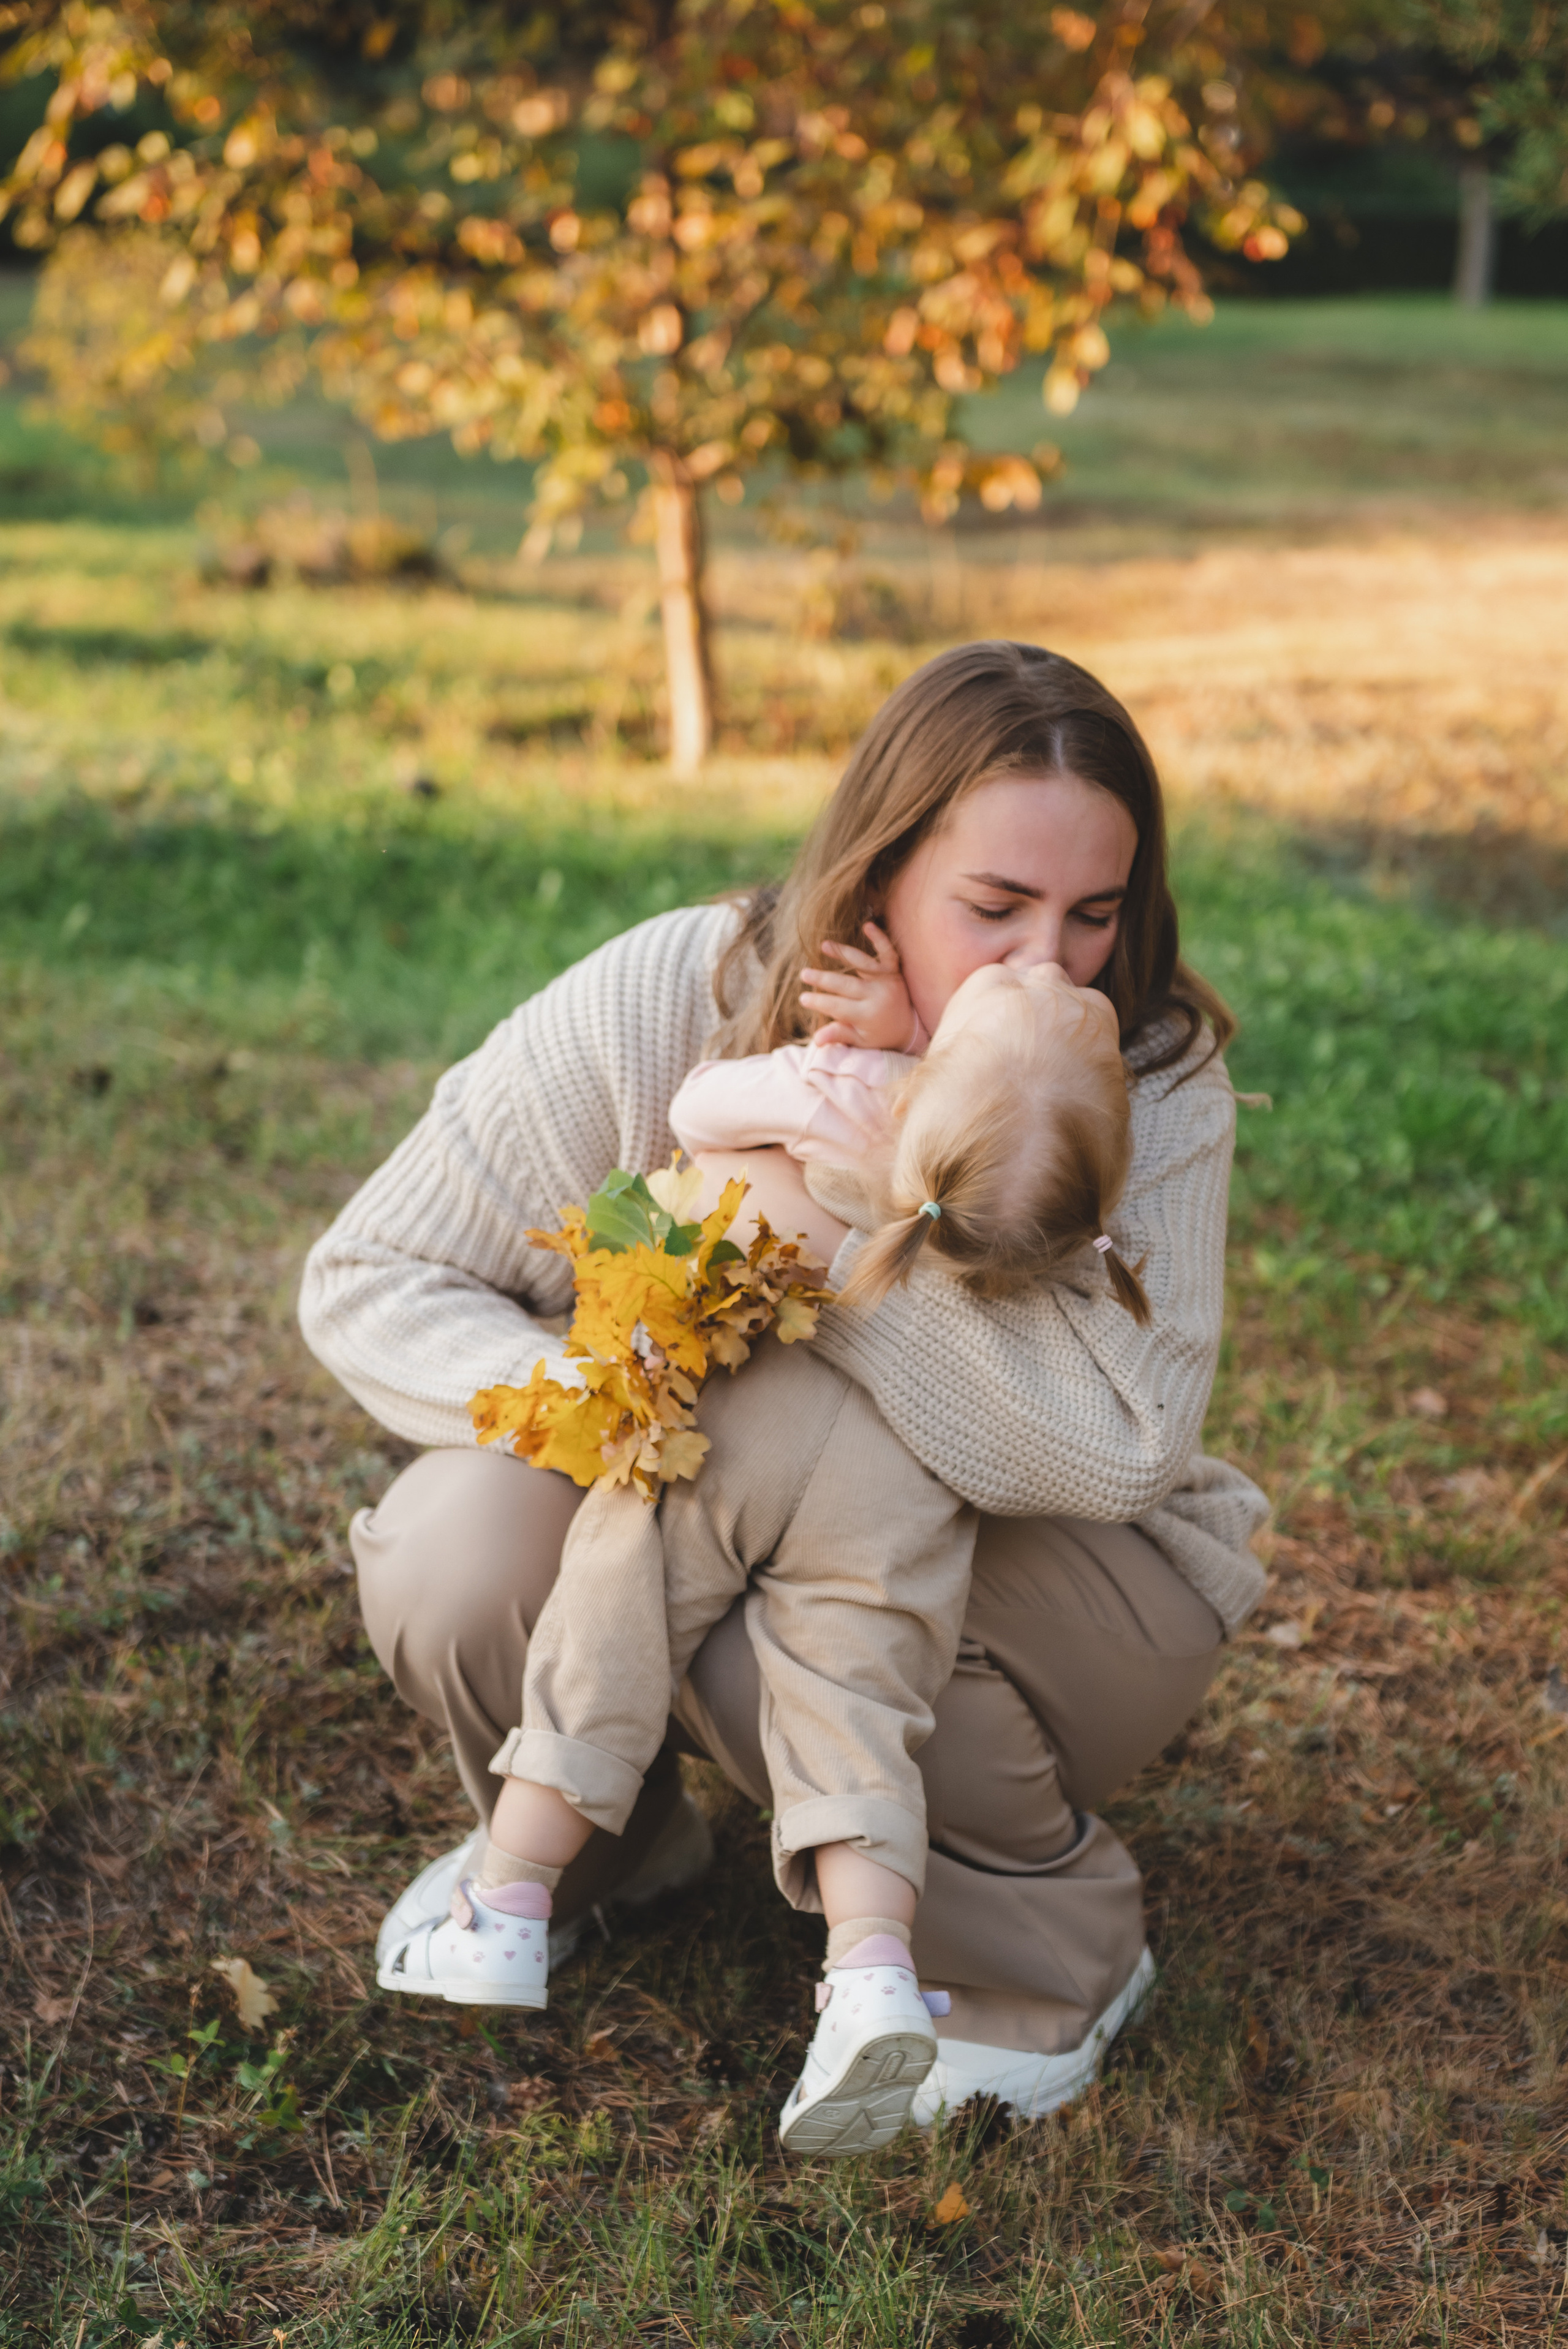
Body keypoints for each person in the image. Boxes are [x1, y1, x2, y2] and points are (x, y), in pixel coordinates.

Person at [299, 639, 1270, 2130]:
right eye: (994, 907)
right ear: (878, 870)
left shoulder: (1137, 1074)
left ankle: (1035, 1949)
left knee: (802, 1616)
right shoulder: (678, 990)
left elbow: (1120, 1450)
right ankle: (607, 1857)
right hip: (711, 1471)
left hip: (1068, 1578)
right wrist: (626, 1390)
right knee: (463, 1549)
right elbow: (370, 1277)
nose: (1043, 966)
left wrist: (852, 1222)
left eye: (1093, 913)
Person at [380, 953, 1149, 2158]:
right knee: (855, 1697)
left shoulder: (860, 1092)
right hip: (900, 1479)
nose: (1040, 961)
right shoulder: (1049, 1217)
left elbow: (698, 1114)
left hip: (742, 1412)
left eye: (1038, 992)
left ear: (940, 1065)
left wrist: (851, 1057)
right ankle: (872, 1975)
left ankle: (513, 1895)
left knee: (611, 1606)